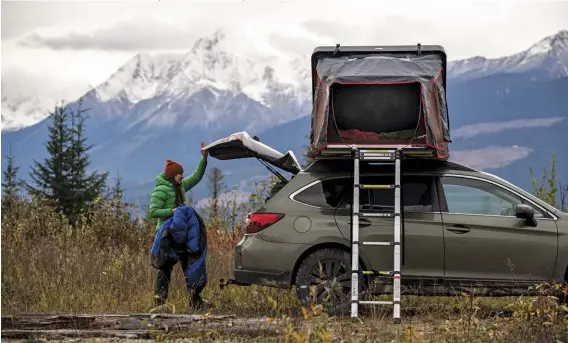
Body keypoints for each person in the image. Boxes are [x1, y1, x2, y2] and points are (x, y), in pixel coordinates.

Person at [149, 141, 211, 312]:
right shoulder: (160, 190)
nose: (182, 177)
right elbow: (153, 212)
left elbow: (196, 176)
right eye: (180, 175)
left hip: (182, 233)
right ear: (172, 176)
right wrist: (172, 210)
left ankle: (195, 299)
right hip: (167, 234)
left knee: (189, 264)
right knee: (165, 267)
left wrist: (204, 160)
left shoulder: (181, 186)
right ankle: (160, 301)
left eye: (182, 174)